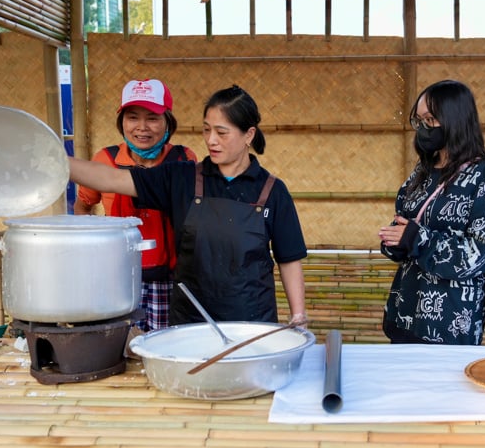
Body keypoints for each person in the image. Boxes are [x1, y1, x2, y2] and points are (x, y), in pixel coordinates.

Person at [69, 84, 308, 327]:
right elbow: (111, 178)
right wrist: (54, 159)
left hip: (251, 323)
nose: (211, 140)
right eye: (206, 130)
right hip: (191, 324)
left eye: (221, 133)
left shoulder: (272, 190)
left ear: (249, 135)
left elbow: (289, 259)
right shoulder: (181, 178)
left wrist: (298, 316)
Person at [378, 80, 485, 344]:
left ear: (454, 120)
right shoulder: (422, 172)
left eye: (430, 119)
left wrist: (417, 239)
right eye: (419, 120)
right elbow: (404, 222)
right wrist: (397, 241)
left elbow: (478, 255)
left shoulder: (483, 177)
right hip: (405, 313)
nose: (423, 127)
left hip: (449, 325)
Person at [74, 79, 197, 331]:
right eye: (132, 117)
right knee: (121, 348)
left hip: (171, 280)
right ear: (122, 122)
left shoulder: (184, 159)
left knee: (166, 347)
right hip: (118, 278)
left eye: (152, 117)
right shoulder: (105, 160)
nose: (142, 128)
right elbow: (84, 206)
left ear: (168, 122)